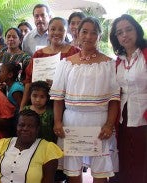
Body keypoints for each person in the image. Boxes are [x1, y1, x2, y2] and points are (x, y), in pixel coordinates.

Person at [50, 17, 120, 183]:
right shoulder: (66, 64)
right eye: (84, 32)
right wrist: (58, 122)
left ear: (99, 37)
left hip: (99, 122)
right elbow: (58, 98)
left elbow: (114, 99)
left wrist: (109, 124)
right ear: (77, 33)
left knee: (100, 170)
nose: (88, 36)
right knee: (73, 169)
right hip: (72, 122)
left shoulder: (109, 64)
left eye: (94, 33)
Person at [109, 14, 147, 183]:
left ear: (137, 30)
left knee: (142, 161)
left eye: (128, 29)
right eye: (119, 32)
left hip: (144, 118)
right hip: (123, 118)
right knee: (124, 160)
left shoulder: (145, 54)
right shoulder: (118, 61)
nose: (125, 35)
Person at [0, 109, 63, 183]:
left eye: (30, 126)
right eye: (21, 125)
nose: (25, 129)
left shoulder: (48, 149)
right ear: (17, 127)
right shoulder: (3, 144)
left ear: (37, 129)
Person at [20, 17, 80, 110]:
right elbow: (28, 81)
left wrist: (58, 85)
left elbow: (79, 80)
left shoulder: (75, 52)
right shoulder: (39, 54)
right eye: (53, 29)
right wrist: (22, 106)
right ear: (48, 31)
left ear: (66, 32)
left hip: (67, 105)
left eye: (61, 30)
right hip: (41, 105)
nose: (56, 32)